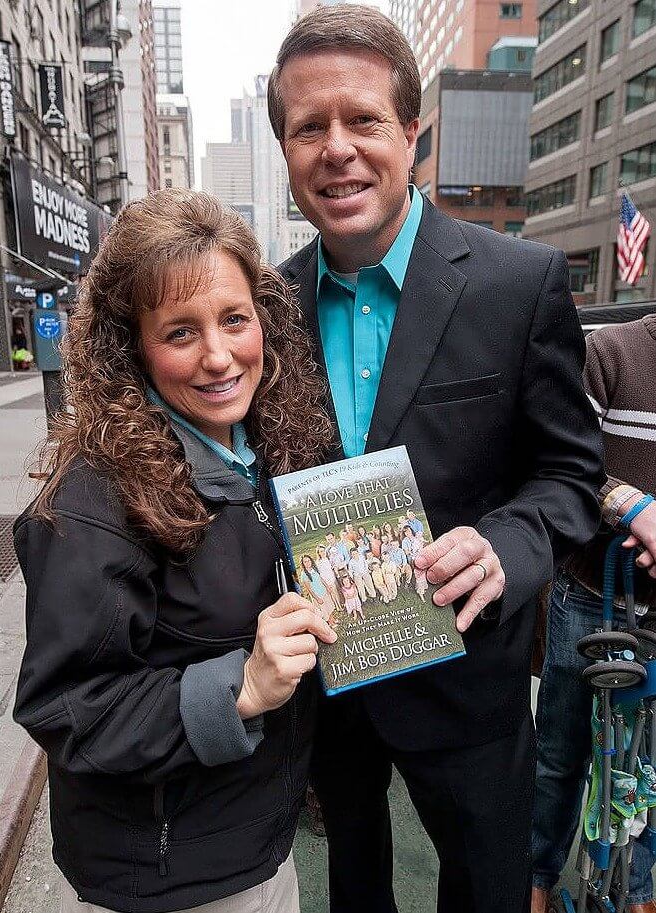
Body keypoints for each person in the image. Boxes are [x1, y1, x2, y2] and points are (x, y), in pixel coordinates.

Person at [269, 6, 604, 912]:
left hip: (467, 684)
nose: (336, 147)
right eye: (309, 127)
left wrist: (504, 544)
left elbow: (570, 474)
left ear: (409, 133)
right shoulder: (261, 309)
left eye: (362, 119)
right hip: (326, 688)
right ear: (287, 150)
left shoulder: (516, 283)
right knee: (352, 889)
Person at [12, 190, 338, 913]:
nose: (219, 356)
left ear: (264, 322)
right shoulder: (93, 497)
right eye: (181, 332)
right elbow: (68, 707)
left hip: (254, 843)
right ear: (133, 345)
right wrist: (240, 688)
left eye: (233, 320)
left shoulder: (269, 450)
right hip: (166, 879)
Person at [532, 314, 656, 913]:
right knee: (560, 755)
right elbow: (561, 457)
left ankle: (637, 895)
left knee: (649, 769)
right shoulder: (610, 352)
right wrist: (632, 508)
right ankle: (533, 881)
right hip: (590, 594)